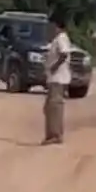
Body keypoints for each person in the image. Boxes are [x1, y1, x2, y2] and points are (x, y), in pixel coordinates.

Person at [43, 11, 72, 145]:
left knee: (54, 107)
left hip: (58, 78)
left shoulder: (61, 38)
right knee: (49, 107)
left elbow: (64, 54)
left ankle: (55, 135)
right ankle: (53, 134)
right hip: (54, 78)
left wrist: (54, 66)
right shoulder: (58, 38)